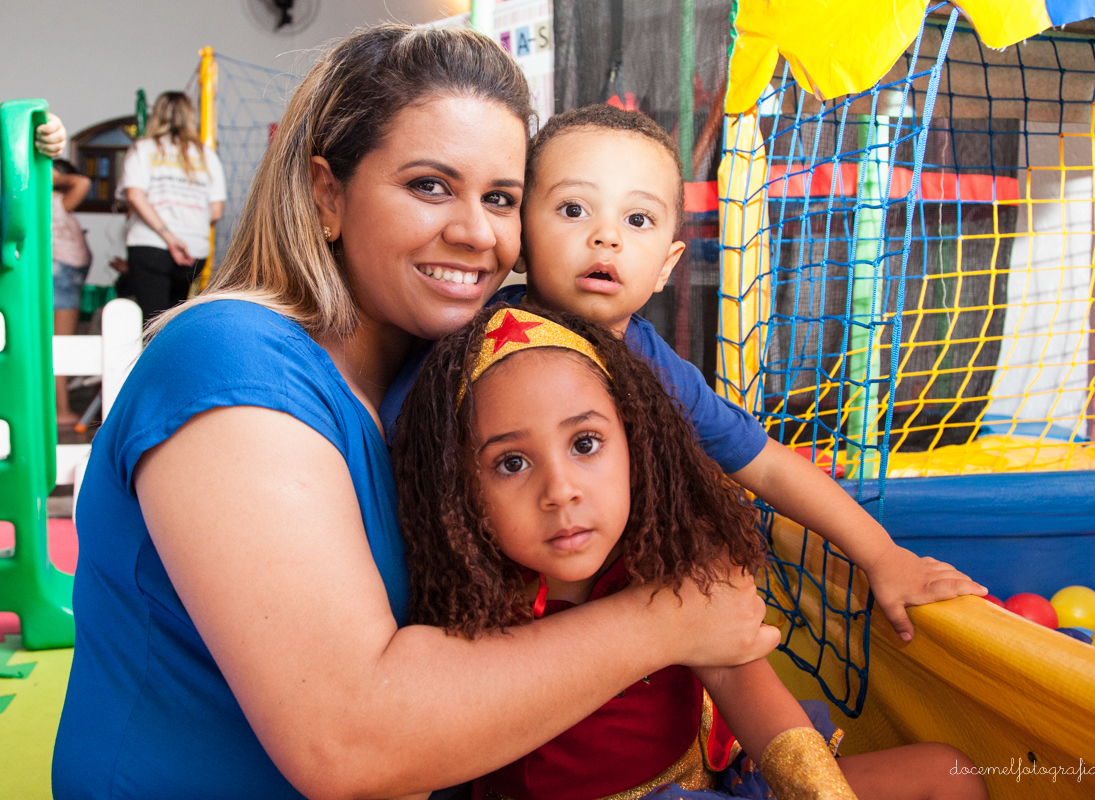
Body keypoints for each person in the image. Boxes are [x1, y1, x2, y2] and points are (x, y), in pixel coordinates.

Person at [53, 25, 775, 800]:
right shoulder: (230, 359)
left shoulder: (435, 392)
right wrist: (666, 621)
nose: (474, 233)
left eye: (500, 198)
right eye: (430, 186)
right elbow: (347, 739)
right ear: (327, 194)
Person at [382, 103, 988, 645]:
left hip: (617, 626)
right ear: (521, 238)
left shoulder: (656, 367)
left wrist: (880, 555)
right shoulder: (477, 343)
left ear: (669, 264)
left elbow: (768, 463)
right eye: (573, 209)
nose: (605, 237)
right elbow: (397, 445)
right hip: (486, 622)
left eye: (638, 221)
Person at [393, 304, 988, 800]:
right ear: (460, 492)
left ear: (636, 446)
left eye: (586, 443)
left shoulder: (670, 559)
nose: (561, 490)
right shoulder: (468, 602)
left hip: (716, 777)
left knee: (950, 772)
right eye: (512, 463)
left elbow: (748, 692)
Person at [116, 91, 226, 321]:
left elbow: (135, 195)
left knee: (151, 322)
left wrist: (168, 236)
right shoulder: (207, 155)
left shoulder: (143, 149)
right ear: (190, 115)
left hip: (150, 244)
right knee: (174, 322)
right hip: (193, 249)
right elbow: (216, 211)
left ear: (157, 114)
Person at [50, 159, 92, 425]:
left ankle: (59, 408)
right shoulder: (53, 201)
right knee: (60, 346)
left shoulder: (56, 207)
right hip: (60, 277)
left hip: (65, 277)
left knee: (59, 345)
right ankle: (59, 410)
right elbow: (83, 182)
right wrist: (51, 178)